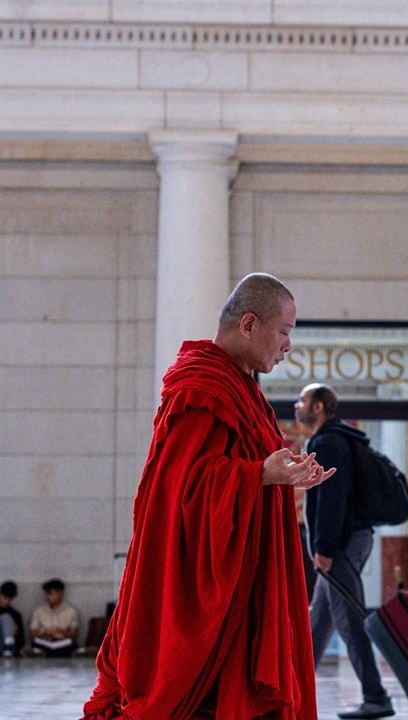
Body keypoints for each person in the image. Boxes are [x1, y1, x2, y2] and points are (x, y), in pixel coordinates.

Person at [83, 273, 335, 719]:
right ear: (249, 324)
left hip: (245, 580)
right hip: (208, 595)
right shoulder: (200, 387)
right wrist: (259, 473)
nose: (287, 346)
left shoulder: (244, 389)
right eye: (284, 332)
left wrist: (283, 477)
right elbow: (179, 490)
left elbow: (238, 470)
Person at [295, 383, 394, 720]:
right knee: (319, 620)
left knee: (348, 620)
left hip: (341, 542)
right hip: (349, 539)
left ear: (319, 406)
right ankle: (292, 689)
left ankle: (376, 696)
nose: (299, 406)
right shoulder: (340, 439)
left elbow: (331, 500)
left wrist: (324, 548)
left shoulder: (328, 442)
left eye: (303, 401)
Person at [29, 578, 79, 657]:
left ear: (60, 593)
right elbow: (32, 634)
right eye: (46, 594)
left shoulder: (71, 611)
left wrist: (60, 632)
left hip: (63, 644)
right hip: (44, 643)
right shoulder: (39, 611)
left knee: (71, 646)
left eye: (50, 593)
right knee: (35, 647)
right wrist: (45, 632)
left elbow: (73, 635)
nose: (47, 597)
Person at [1, 579, 27, 657]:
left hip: (9, 650)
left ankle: (8, 647)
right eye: (5, 597)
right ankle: (8, 646)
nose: (7, 601)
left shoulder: (15, 615)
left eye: (10, 599)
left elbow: (21, 642)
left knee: (7, 618)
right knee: (6, 618)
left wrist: (15, 632)